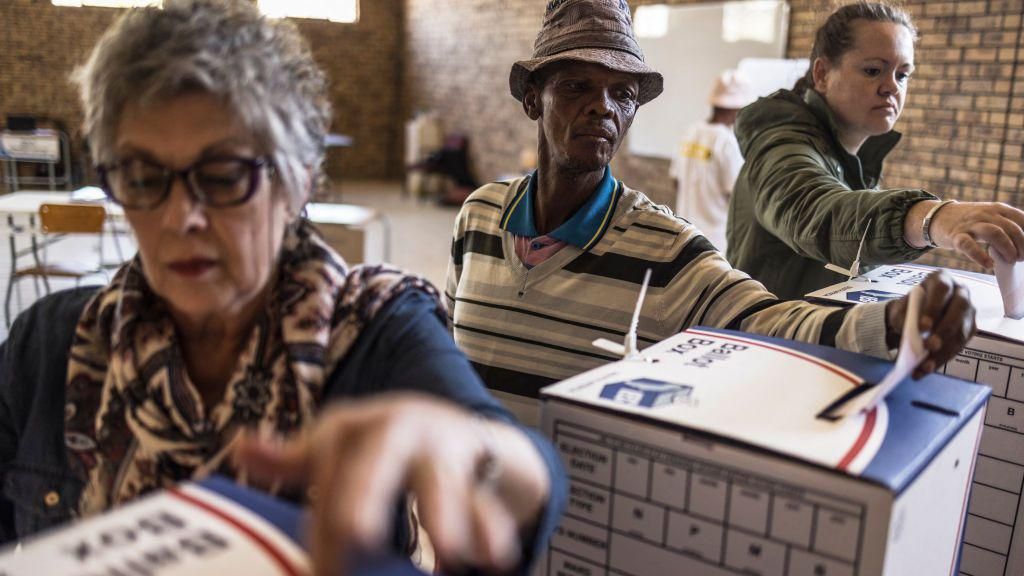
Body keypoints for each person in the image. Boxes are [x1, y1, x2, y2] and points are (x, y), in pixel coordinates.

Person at [0, 2, 565, 575]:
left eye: (222, 176)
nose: (180, 217)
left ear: (297, 181)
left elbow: (509, 462)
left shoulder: (375, 328)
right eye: (144, 178)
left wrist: (482, 454)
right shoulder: (51, 345)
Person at [445, 0, 976, 425]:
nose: (603, 107)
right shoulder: (478, 215)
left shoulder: (666, 251)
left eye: (622, 93)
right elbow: (449, 350)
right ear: (533, 100)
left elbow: (767, 321)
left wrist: (886, 324)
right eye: (577, 87)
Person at [727, 1, 1024, 300]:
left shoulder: (853, 158)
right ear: (822, 74)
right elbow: (814, 210)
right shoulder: (781, 141)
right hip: (765, 340)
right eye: (873, 70)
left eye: (902, 74)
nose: (891, 87)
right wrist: (931, 217)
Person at [670, 69, 754, 252]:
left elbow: (676, 181)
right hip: (715, 243)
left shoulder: (690, 132)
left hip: (683, 234)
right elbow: (738, 198)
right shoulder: (728, 142)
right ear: (738, 107)